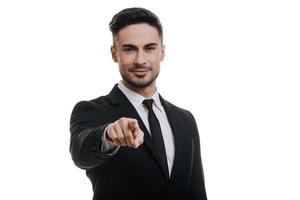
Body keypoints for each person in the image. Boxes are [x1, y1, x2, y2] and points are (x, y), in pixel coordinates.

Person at [69, 7, 207, 200]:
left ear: (162, 52)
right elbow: (81, 153)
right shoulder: (92, 111)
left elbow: (196, 192)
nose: (140, 60)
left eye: (149, 48)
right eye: (129, 49)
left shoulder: (186, 120)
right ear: (114, 53)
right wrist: (108, 135)